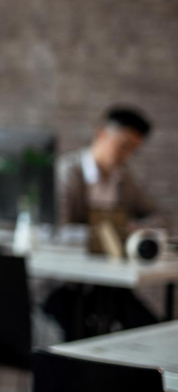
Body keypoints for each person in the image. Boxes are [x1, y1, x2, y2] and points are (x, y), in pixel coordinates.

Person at [44, 106, 159, 340]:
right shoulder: (67, 173)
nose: (126, 156)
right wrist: (109, 234)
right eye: (123, 146)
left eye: (133, 151)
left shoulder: (124, 178)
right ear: (102, 134)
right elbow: (57, 231)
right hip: (63, 285)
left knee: (150, 330)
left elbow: (157, 215)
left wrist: (141, 229)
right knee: (81, 339)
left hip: (106, 285)